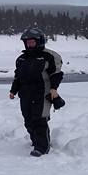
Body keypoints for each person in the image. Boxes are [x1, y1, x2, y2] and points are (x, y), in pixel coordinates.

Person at [8, 28, 64, 157]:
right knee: (28, 120)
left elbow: (56, 74)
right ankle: (35, 141)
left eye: (32, 42)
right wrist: (13, 90)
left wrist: (54, 88)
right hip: (25, 94)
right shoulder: (21, 59)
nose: (30, 45)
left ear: (39, 41)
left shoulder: (49, 56)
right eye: (27, 43)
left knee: (39, 120)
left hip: (42, 94)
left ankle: (42, 147)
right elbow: (18, 77)